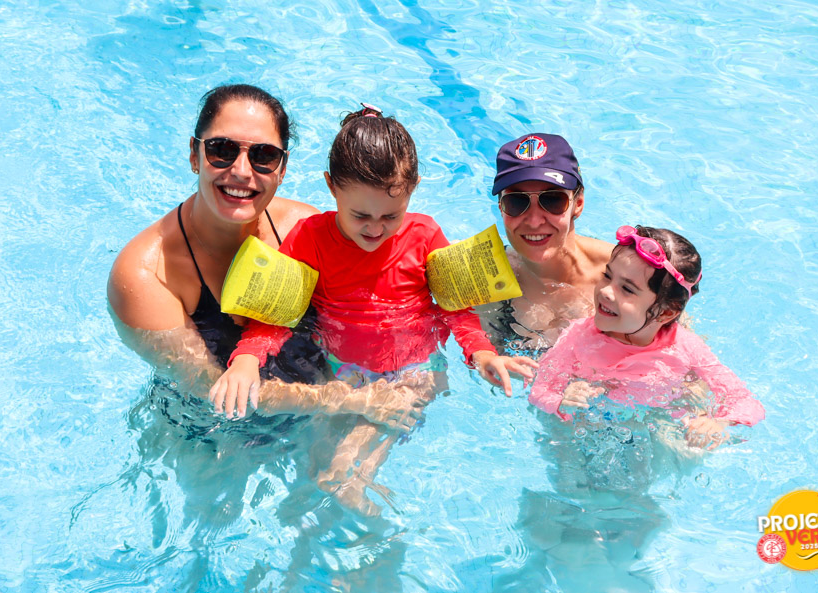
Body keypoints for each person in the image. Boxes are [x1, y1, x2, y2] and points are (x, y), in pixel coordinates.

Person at [210, 103, 538, 513]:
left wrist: (482, 353)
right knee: (317, 468)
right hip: (341, 369)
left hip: (415, 370)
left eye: (391, 215)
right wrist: (246, 360)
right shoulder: (310, 238)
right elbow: (277, 315)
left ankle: (373, 514)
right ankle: (352, 517)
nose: (376, 228)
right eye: (360, 215)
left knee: (344, 473)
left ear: (413, 189)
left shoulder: (425, 234)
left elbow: (455, 310)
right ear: (331, 187)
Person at [107, 84, 420, 428]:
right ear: (194, 156)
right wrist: (355, 400)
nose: (242, 171)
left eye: (264, 155)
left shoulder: (303, 229)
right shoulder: (147, 273)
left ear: (282, 169)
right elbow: (210, 390)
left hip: (321, 406)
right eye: (222, 149)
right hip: (210, 433)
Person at [529, 225, 765, 448]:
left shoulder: (686, 347)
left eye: (627, 289)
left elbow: (745, 402)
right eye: (607, 276)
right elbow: (540, 390)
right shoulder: (578, 336)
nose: (606, 291)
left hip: (656, 424)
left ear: (667, 312)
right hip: (587, 428)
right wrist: (561, 400)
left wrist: (719, 423)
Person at [484, 133, 614, 350]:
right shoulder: (483, 277)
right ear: (501, 207)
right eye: (516, 201)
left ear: (578, 204)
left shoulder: (627, 275)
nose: (534, 221)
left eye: (552, 200)